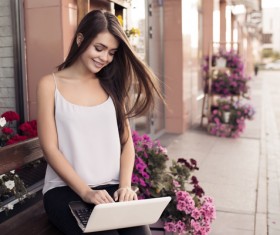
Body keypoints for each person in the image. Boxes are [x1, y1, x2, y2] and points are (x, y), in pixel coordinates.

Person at [37, 10, 162, 235]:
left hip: (112, 189)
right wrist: (86, 192)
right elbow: (50, 149)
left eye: (112, 52)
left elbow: (126, 144)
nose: (104, 58)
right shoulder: (49, 85)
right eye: (99, 48)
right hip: (64, 191)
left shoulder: (111, 85)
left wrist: (125, 186)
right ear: (80, 40)